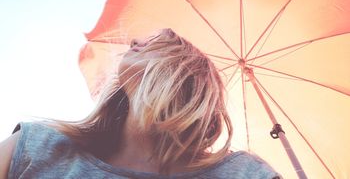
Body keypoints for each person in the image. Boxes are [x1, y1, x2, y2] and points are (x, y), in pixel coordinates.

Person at [0, 28, 282, 178]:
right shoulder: (35, 148)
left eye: (162, 42)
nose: (136, 39)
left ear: (186, 72)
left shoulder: (244, 174)